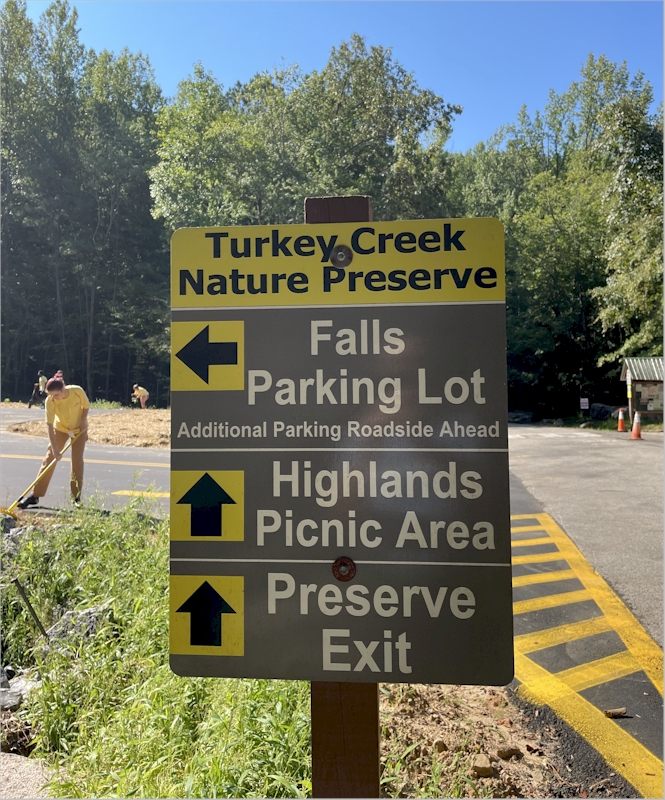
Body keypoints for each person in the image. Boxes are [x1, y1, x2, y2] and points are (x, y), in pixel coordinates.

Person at [18, 378, 89, 508]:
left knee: (77, 461)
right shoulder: (50, 401)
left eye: (56, 394)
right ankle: (35, 496)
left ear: (63, 388)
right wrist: (55, 450)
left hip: (79, 429)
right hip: (60, 429)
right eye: (51, 395)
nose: (53, 398)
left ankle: (76, 498)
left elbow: (86, 406)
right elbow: (49, 426)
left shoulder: (77, 391)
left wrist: (83, 421)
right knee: (49, 459)